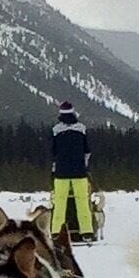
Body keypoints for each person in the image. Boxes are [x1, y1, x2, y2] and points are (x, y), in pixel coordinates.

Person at [49, 100, 93, 239]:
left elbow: (53, 152)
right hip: (79, 172)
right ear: (73, 112)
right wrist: (84, 165)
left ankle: (57, 232)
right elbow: (87, 151)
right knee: (82, 202)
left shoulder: (56, 130)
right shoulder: (81, 128)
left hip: (61, 172)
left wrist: (54, 169)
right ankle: (86, 231)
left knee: (60, 203)